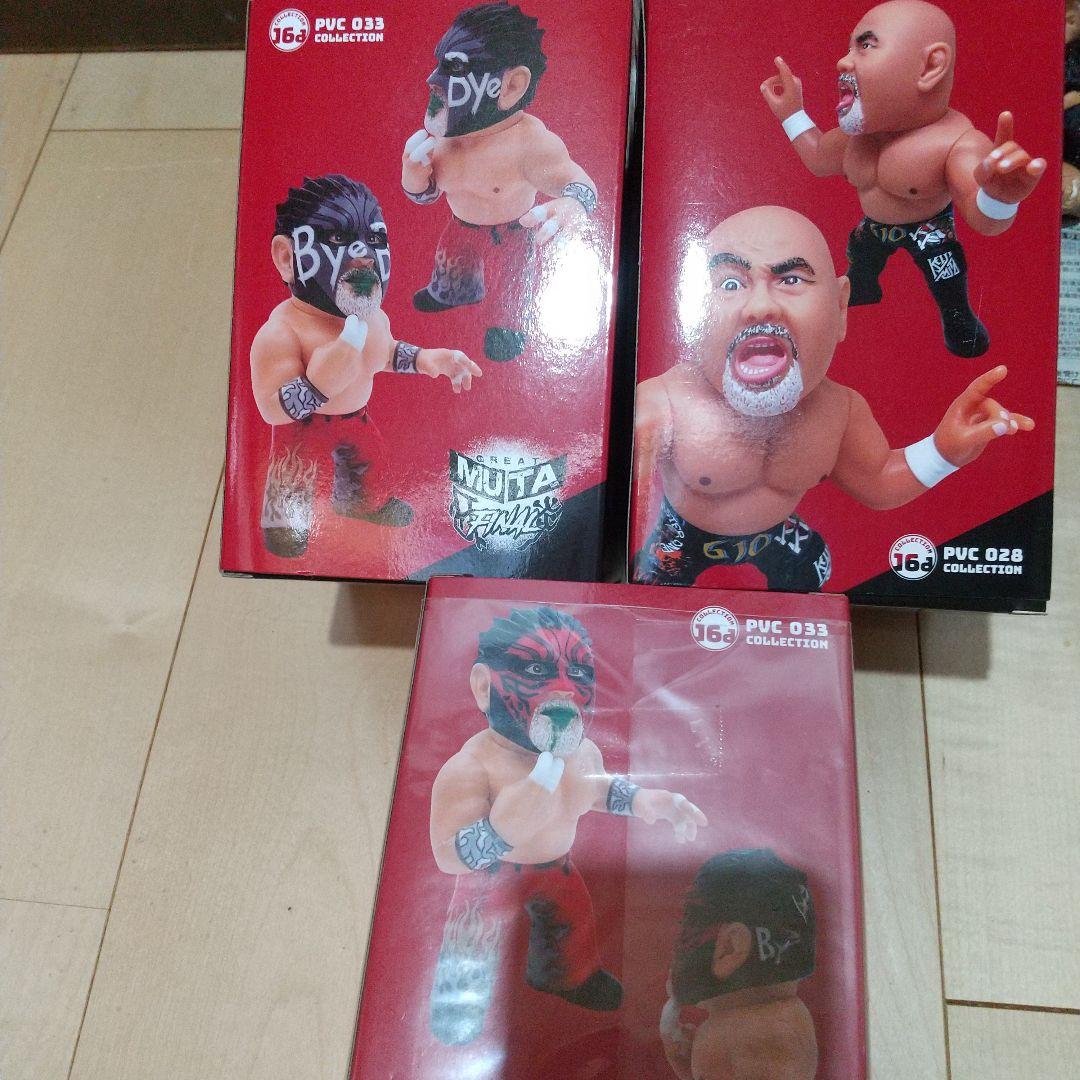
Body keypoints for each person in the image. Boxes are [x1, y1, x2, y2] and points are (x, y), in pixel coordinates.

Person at [633, 206, 1033, 590]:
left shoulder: (839, 411)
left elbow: (876, 481)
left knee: (815, 569)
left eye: (791, 280)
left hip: (776, 533)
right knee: (645, 585)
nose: (760, 307)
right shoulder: (665, 401)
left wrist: (943, 451)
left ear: (841, 308)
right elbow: (616, 474)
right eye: (730, 284)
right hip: (679, 536)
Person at [427, 605, 707, 1044]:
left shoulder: (583, 753)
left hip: (557, 869)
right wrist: (498, 833)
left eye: (578, 673)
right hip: (489, 878)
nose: (564, 688)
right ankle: (459, 1001)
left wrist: (646, 800)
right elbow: (448, 854)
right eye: (536, 670)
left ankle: (566, 975)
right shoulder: (471, 767)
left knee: (573, 924)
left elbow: (599, 790)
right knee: (472, 938)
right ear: (484, 685)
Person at [761, 0, 1046, 356]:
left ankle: (957, 315)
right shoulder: (856, 139)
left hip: (930, 228)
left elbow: (982, 219)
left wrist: (999, 198)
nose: (843, 62)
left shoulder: (956, 142)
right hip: (873, 226)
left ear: (930, 66)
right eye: (849, 48)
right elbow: (819, 157)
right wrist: (792, 114)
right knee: (860, 257)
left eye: (866, 46)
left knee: (946, 272)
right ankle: (864, 287)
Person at [251, 175, 480, 557]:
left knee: (370, 463)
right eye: (338, 238)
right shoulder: (282, 332)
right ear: (288, 257)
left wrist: (427, 359)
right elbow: (271, 409)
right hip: (300, 429)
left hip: (355, 418)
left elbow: (386, 353)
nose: (364, 254)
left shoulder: (373, 320)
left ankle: (360, 503)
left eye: (375, 239)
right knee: (291, 477)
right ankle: (285, 526)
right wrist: (315, 385)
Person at [402, 2, 598, 361]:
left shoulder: (530, 144)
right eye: (439, 64)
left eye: (454, 67)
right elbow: (427, 195)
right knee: (451, 265)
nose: (432, 79)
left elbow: (579, 182)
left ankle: (509, 326)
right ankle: (453, 292)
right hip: (459, 226)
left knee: (514, 285)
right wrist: (413, 178)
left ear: (511, 85)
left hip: (514, 233)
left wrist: (574, 204)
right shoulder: (443, 140)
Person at [661, 850, 818, 1080]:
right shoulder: (783, 1024)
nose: (680, 946)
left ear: (731, 947)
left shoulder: (751, 1034)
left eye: (689, 923)